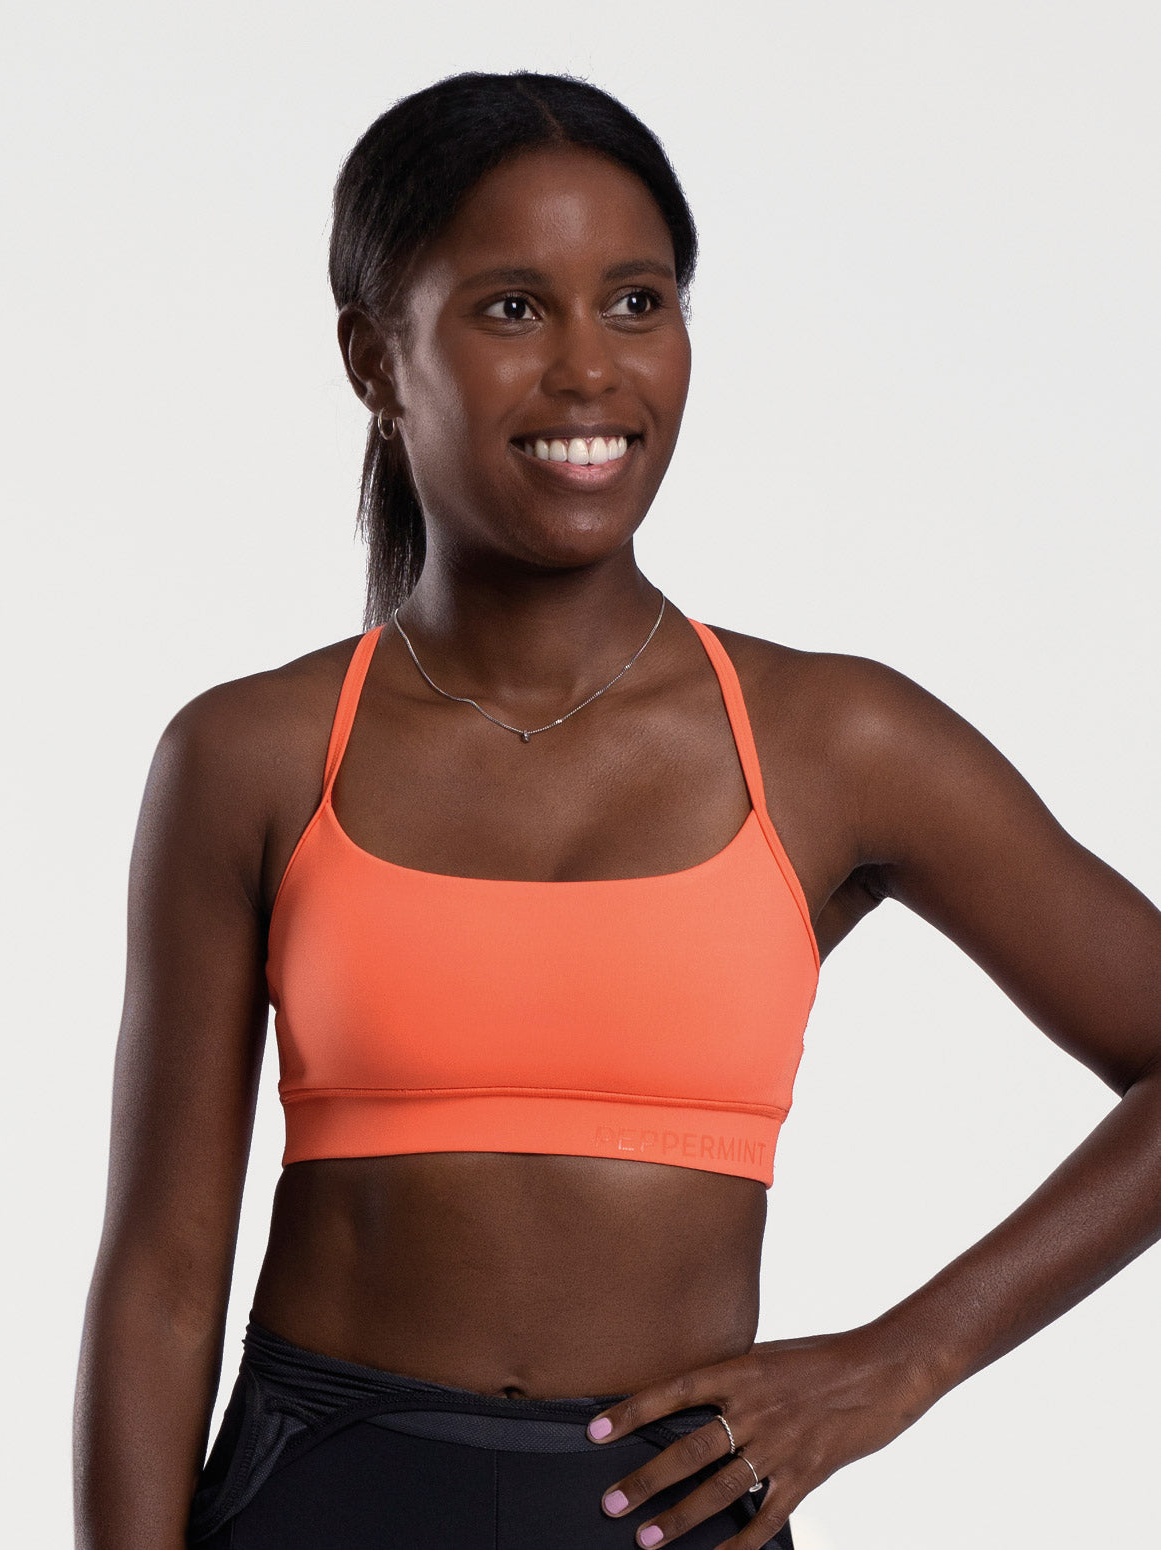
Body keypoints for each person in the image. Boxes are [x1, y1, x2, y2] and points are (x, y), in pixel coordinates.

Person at [72, 70, 1161, 1550]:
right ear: (376, 359)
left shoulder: (834, 741)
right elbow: (159, 1274)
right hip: (319, 1494)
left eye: (637, 303)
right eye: (513, 308)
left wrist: (899, 1363)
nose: (589, 369)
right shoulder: (250, 755)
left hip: (673, 1512)